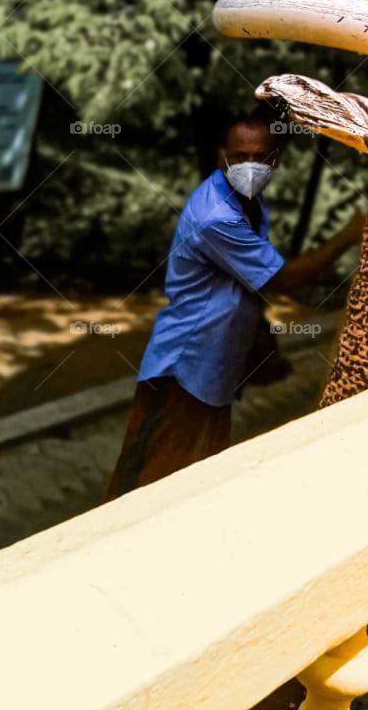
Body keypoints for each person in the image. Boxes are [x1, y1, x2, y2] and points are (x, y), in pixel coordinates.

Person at [107, 112, 332, 498]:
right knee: (160, 486)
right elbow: (284, 280)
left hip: (212, 369)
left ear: (274, 161)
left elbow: (244, 284)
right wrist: (350, 235)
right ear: (221, 158)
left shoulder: (250, 204)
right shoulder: (216, 216)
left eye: (258, 157)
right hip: (188, 366)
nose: (249, 165)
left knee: (189, 475)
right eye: (239, 155)